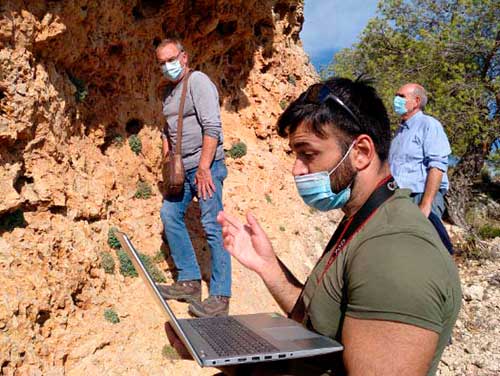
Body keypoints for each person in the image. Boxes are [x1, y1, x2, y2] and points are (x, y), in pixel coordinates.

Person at [215, 78, 462, 375]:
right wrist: (269, 267)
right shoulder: (363, 219)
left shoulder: (396, 250)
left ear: (361, 152)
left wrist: (248, 369)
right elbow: (321, 323)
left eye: (308, 153)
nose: (297, 169)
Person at [156, 38, 231, 317]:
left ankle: (220, 297)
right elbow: (167, 130)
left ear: (184, 58)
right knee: (170, 214)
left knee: (213, 225)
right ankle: (189, 281)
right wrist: (167, 159)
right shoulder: (168, 93)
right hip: (181, 171)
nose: (167, 66)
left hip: (205, 168)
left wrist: (204, 167)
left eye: (171, 59)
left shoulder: (198, 81)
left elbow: (212, 125)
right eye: (162, 63)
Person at [390, 83, 452, 218]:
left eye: (401, 96)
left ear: (416, 101)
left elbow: (437, 165)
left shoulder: (429, 125)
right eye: (396, 96)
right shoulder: (399, 132)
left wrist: (426, 204)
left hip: (420, 196)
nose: (396, 100)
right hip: (398, 198)